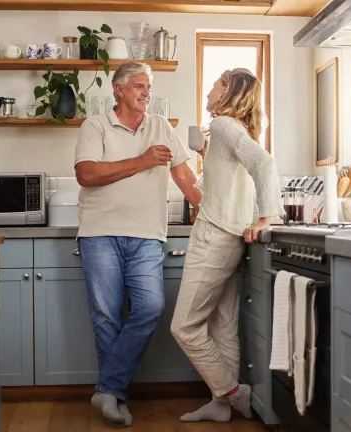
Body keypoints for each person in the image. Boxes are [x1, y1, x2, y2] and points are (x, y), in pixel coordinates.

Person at [74, 62, 202, 427]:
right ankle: (117, 397)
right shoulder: (95, 125)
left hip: (147, 235)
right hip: (100, 233)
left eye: (149, 86)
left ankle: (107, 389)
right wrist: (143, 160)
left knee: (150, 308)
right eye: (140, 86)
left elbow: (184, 176)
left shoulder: (161, 126)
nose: (146, 92)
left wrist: (205, 204)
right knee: (107, 318)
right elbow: (87, 174)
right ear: (119, 89)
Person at [170, 68, 284, 422]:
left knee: (184, 326)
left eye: (218, 83)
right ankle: (220, 406)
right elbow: (227, 183)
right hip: (229, 236)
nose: (210, 88)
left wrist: (267, 216)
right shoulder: (232, 131)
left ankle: (233, 392)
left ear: (228, 92)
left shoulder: (222, 125)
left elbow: (264, 163)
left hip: (215, 236)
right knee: (222, 324)